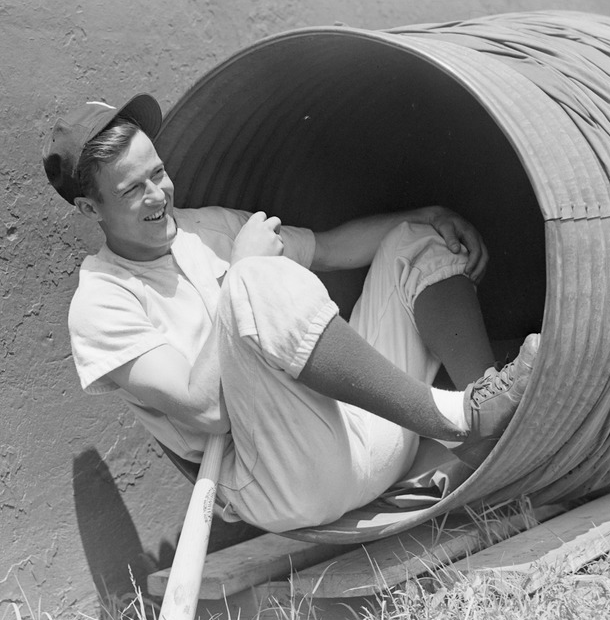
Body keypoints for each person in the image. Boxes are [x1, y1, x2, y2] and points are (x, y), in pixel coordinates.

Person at [43, 94, 540, 533]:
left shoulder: (205, 228)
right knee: (251, 279)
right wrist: (241, 271)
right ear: (91, 210)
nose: (159, 195)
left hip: (364, 433)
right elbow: (208, 412)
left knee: (414, 240)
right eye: (133, 190)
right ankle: (458, 417)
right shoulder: (101, 303)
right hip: (282, 481)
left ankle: (488, 431)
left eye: (159, 172)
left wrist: (427, 214)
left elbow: (328, 249)